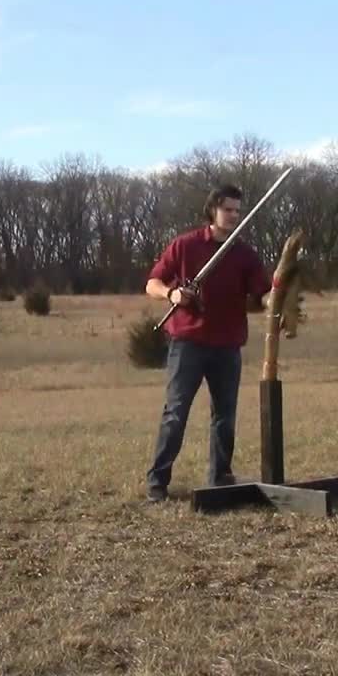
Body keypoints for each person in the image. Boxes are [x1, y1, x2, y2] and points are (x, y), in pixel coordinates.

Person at [143, 183, 273, 503]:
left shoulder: (244, 254)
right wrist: (171, 294)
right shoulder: (184, 246)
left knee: (225, 415)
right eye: (227, 209)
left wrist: (277, 303)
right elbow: (152, 283)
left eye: (237, 211)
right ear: (212, 210)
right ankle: (158, 482)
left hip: (227, 345)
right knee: (176, 412)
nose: (233, 216)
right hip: (187, 342)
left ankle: (220, 478)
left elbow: (264, 292)